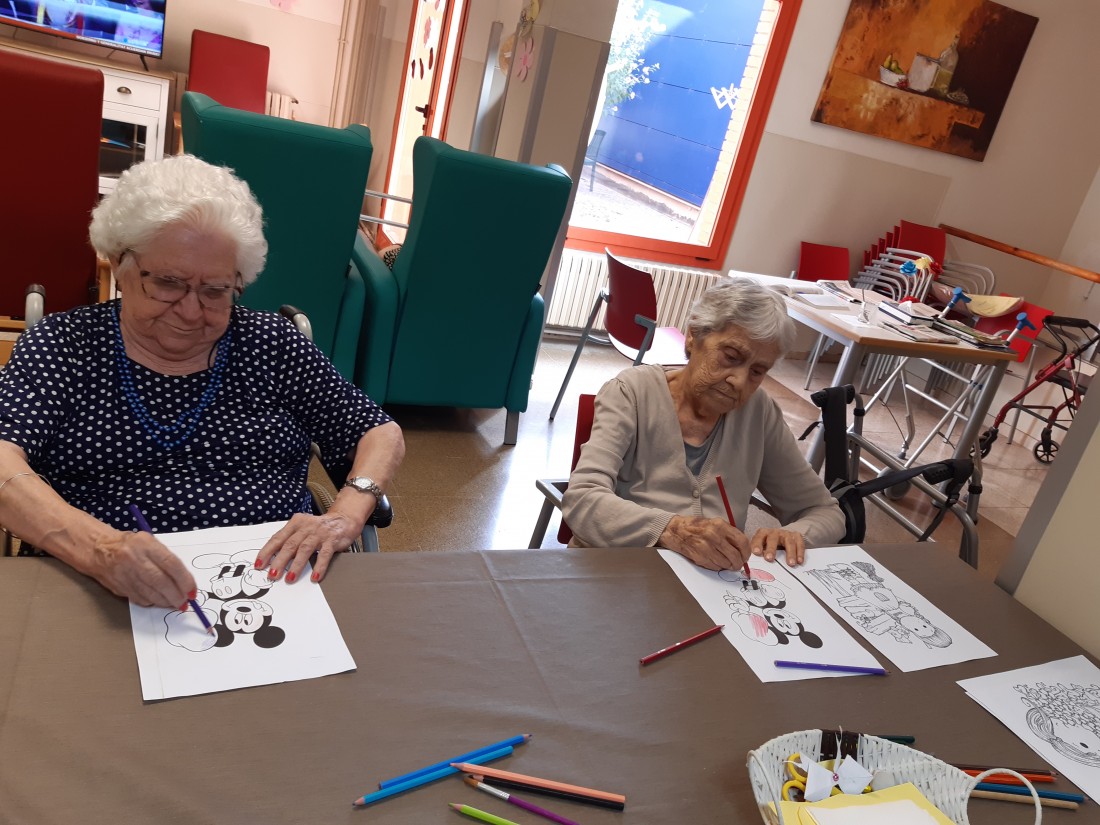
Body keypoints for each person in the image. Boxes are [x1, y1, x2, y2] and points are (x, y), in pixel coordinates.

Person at [0, 154, 404, 609]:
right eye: (168, 283)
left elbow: (378, 431)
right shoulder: (65, 346)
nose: (192, 311)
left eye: (216, 291)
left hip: (275, 588)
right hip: (94, 588)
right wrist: (99, 549)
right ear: (120, 263)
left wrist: (345, 514)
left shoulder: (271, 345)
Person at [561, 279, 844, 570]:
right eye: (731, 357)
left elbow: (824, 511)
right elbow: (583, 500)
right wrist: (671, 529)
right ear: (693, 335)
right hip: (617, 570)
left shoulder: (759, 413)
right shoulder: (631, 392)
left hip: (711, 587)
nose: (739, 381)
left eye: (757, 371)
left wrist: (796, 535)